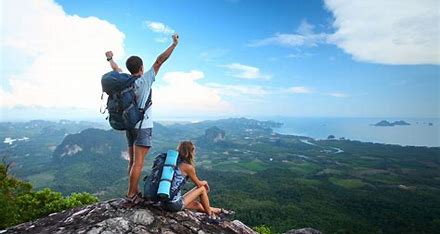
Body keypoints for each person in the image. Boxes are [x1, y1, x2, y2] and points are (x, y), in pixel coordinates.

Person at [105, 34, 179, 206]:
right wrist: (174, 45)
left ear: (129, 68)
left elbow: (116, 70)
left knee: (132, 161)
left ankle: (134, 189)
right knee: (138, 163)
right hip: (143, 126)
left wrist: (110, 58)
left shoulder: (125, 82)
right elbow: (160, 60)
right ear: (141, 67)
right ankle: (131, 193)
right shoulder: (144, 80)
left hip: (129, 125)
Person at [162, 141, 234, 222]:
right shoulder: (188, 167)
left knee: (197, 205)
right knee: (202, 189)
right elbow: (199, 184)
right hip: (173, 204)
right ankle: (211, 217)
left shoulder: (171, 163)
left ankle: (219, 211)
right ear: (190, 152)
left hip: (163, 202)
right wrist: (205, 182)